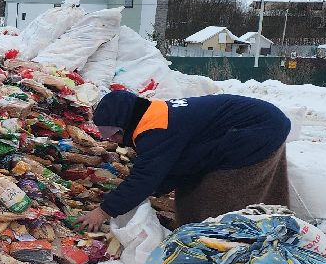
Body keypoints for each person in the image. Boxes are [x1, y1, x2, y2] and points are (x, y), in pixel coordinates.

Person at [81, 90, 291, 231]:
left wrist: (103, 211)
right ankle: (203, 231)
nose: (115, 141)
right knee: (190, 184)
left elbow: (145, 177)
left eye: (115, 135)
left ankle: (225, 237)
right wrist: (153, 190)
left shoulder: (154, 129)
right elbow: (176, 163)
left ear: (123, 124)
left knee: (218, 192)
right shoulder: (153, 114)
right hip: (255, 125)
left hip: (259, 129)